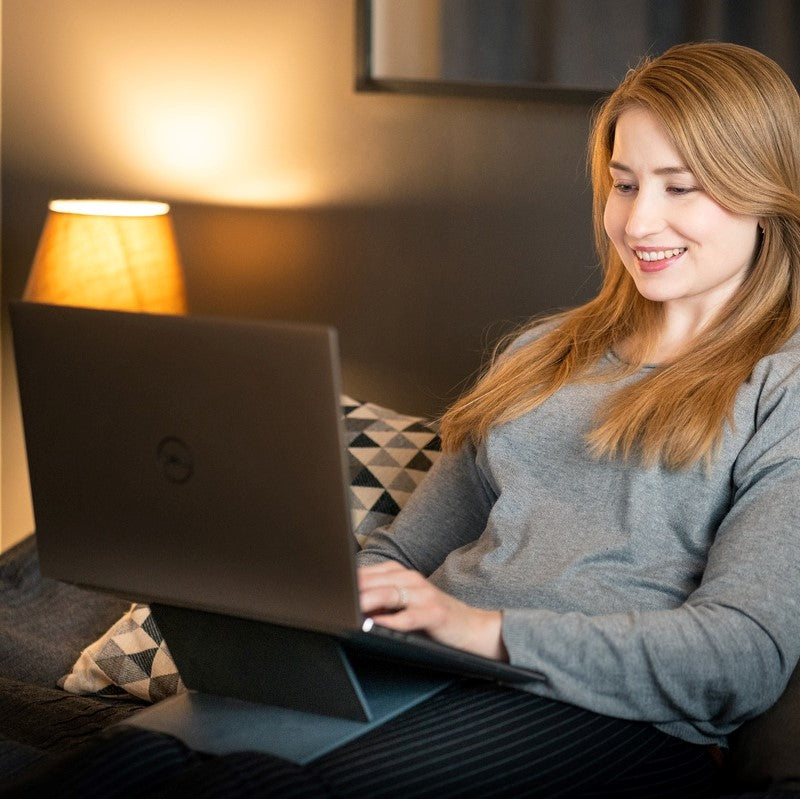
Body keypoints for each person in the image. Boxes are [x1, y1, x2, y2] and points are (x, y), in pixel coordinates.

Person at [6, 40, 800, 799]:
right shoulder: (543, 352)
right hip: (429, 669)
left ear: (765, 190)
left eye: (680, 186)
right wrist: (303, 589)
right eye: (624, 184)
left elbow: (741, 654)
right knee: (133, 759)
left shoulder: (780, 388)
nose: (637, 221)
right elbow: (405, 553)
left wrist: (480, 629)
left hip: (610, 717)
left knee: (254, 789)